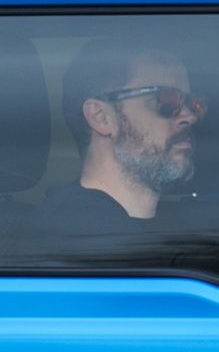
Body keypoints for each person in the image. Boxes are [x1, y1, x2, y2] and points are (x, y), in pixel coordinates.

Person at [44, 34, 204, 233]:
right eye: (167, 100)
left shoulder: (184, 228)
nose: (189, 116)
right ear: (101, 117)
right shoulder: (75, 241)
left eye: (193, 103)